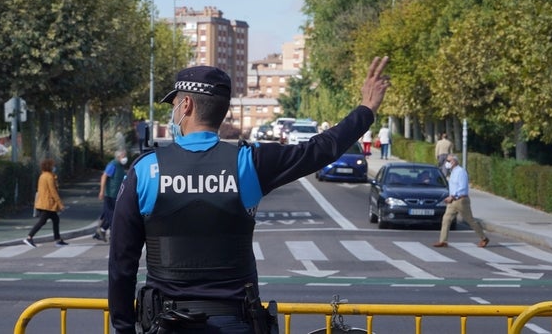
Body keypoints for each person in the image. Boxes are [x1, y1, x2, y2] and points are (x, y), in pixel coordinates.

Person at [108, 56, 390, 334]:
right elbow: (320, 148)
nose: (173, 114)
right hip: (236, 322)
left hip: (167, 324)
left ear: (187, 105)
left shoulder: (146, 169)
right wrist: (366, 109)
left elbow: (122, 261)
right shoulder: (248, 163)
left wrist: (123, 327)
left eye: (174, 105)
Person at [433, 154, 489, 249]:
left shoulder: (461, 172)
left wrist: (453, 196)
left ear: (454, 161)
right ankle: (443, 241)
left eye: (449, 161)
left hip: (461, 200)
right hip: (452, 200)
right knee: (446, 219)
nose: (447, 163)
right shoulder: (453, 172)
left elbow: (462, 187)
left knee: (470, 220)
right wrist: (451, 197)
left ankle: (484, 238)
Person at [23, 158, 68, 248]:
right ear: (49, 167)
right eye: (53, 165)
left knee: (55, 219)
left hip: (44, 202)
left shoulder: (43, 176)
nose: (54, 167)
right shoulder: (49, 177)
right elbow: (53, 191)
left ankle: (58, 239)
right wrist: (60, 204)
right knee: (42, 221)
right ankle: (29, 237)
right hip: (47, 203)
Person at [93, 149, 128, 242]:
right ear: (118, 156)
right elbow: (104, 177)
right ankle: (113, 236)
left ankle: (101, 231)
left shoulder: (120, 166)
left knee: (109, 215)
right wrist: (102, 191)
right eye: (123, 156)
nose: (125, 158)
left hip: (117, 195)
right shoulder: (113, 165)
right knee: (112, 216)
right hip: (110, 195)